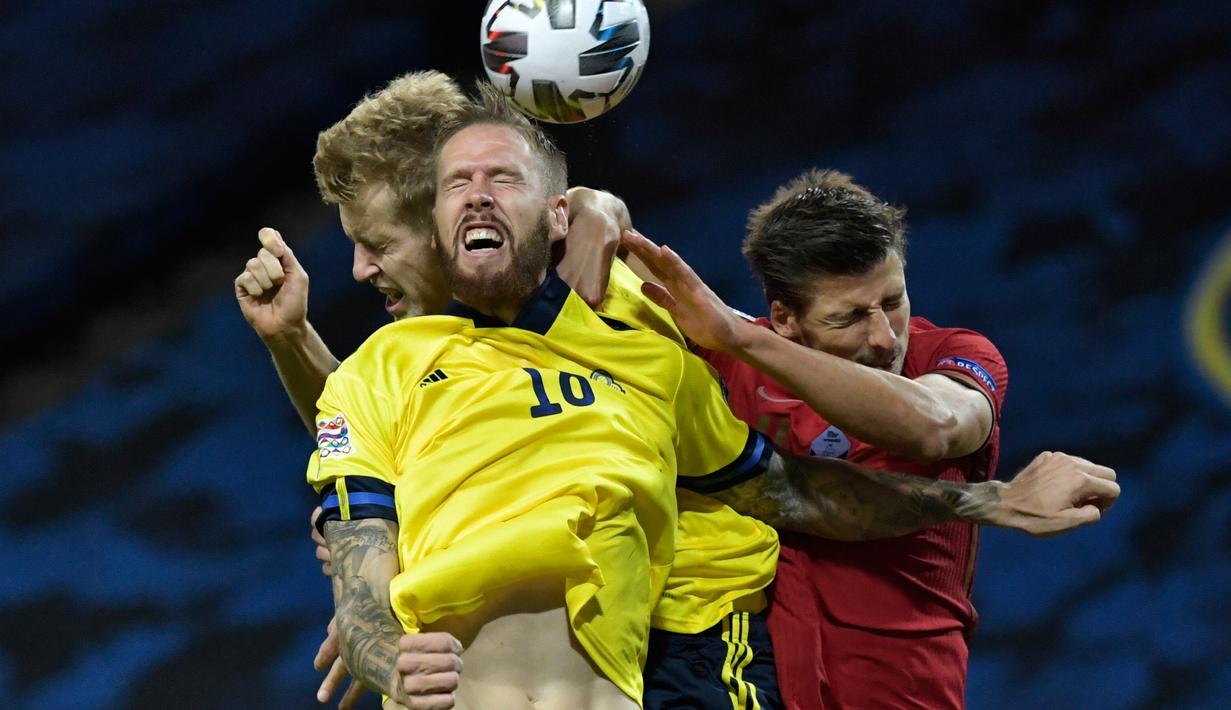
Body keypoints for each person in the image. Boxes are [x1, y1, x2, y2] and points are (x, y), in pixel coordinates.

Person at [238, 79, 1120, 708]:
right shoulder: (393, 364)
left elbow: (802, 482)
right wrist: (377, 619)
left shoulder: (646, 318)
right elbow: (374, 456)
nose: (358, 268)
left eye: (374, 240)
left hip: (709, 640)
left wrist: (990, 499)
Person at [617, 168, 1037, 709]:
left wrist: (740, 338)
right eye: (850, 318)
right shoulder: (731, 356)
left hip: (908, 692)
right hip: (762, 685)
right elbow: (596, 233)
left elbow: (938, 427)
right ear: (785, 319)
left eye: (893, 301)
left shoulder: (957, 355)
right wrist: (598, 203)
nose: (885, 337)